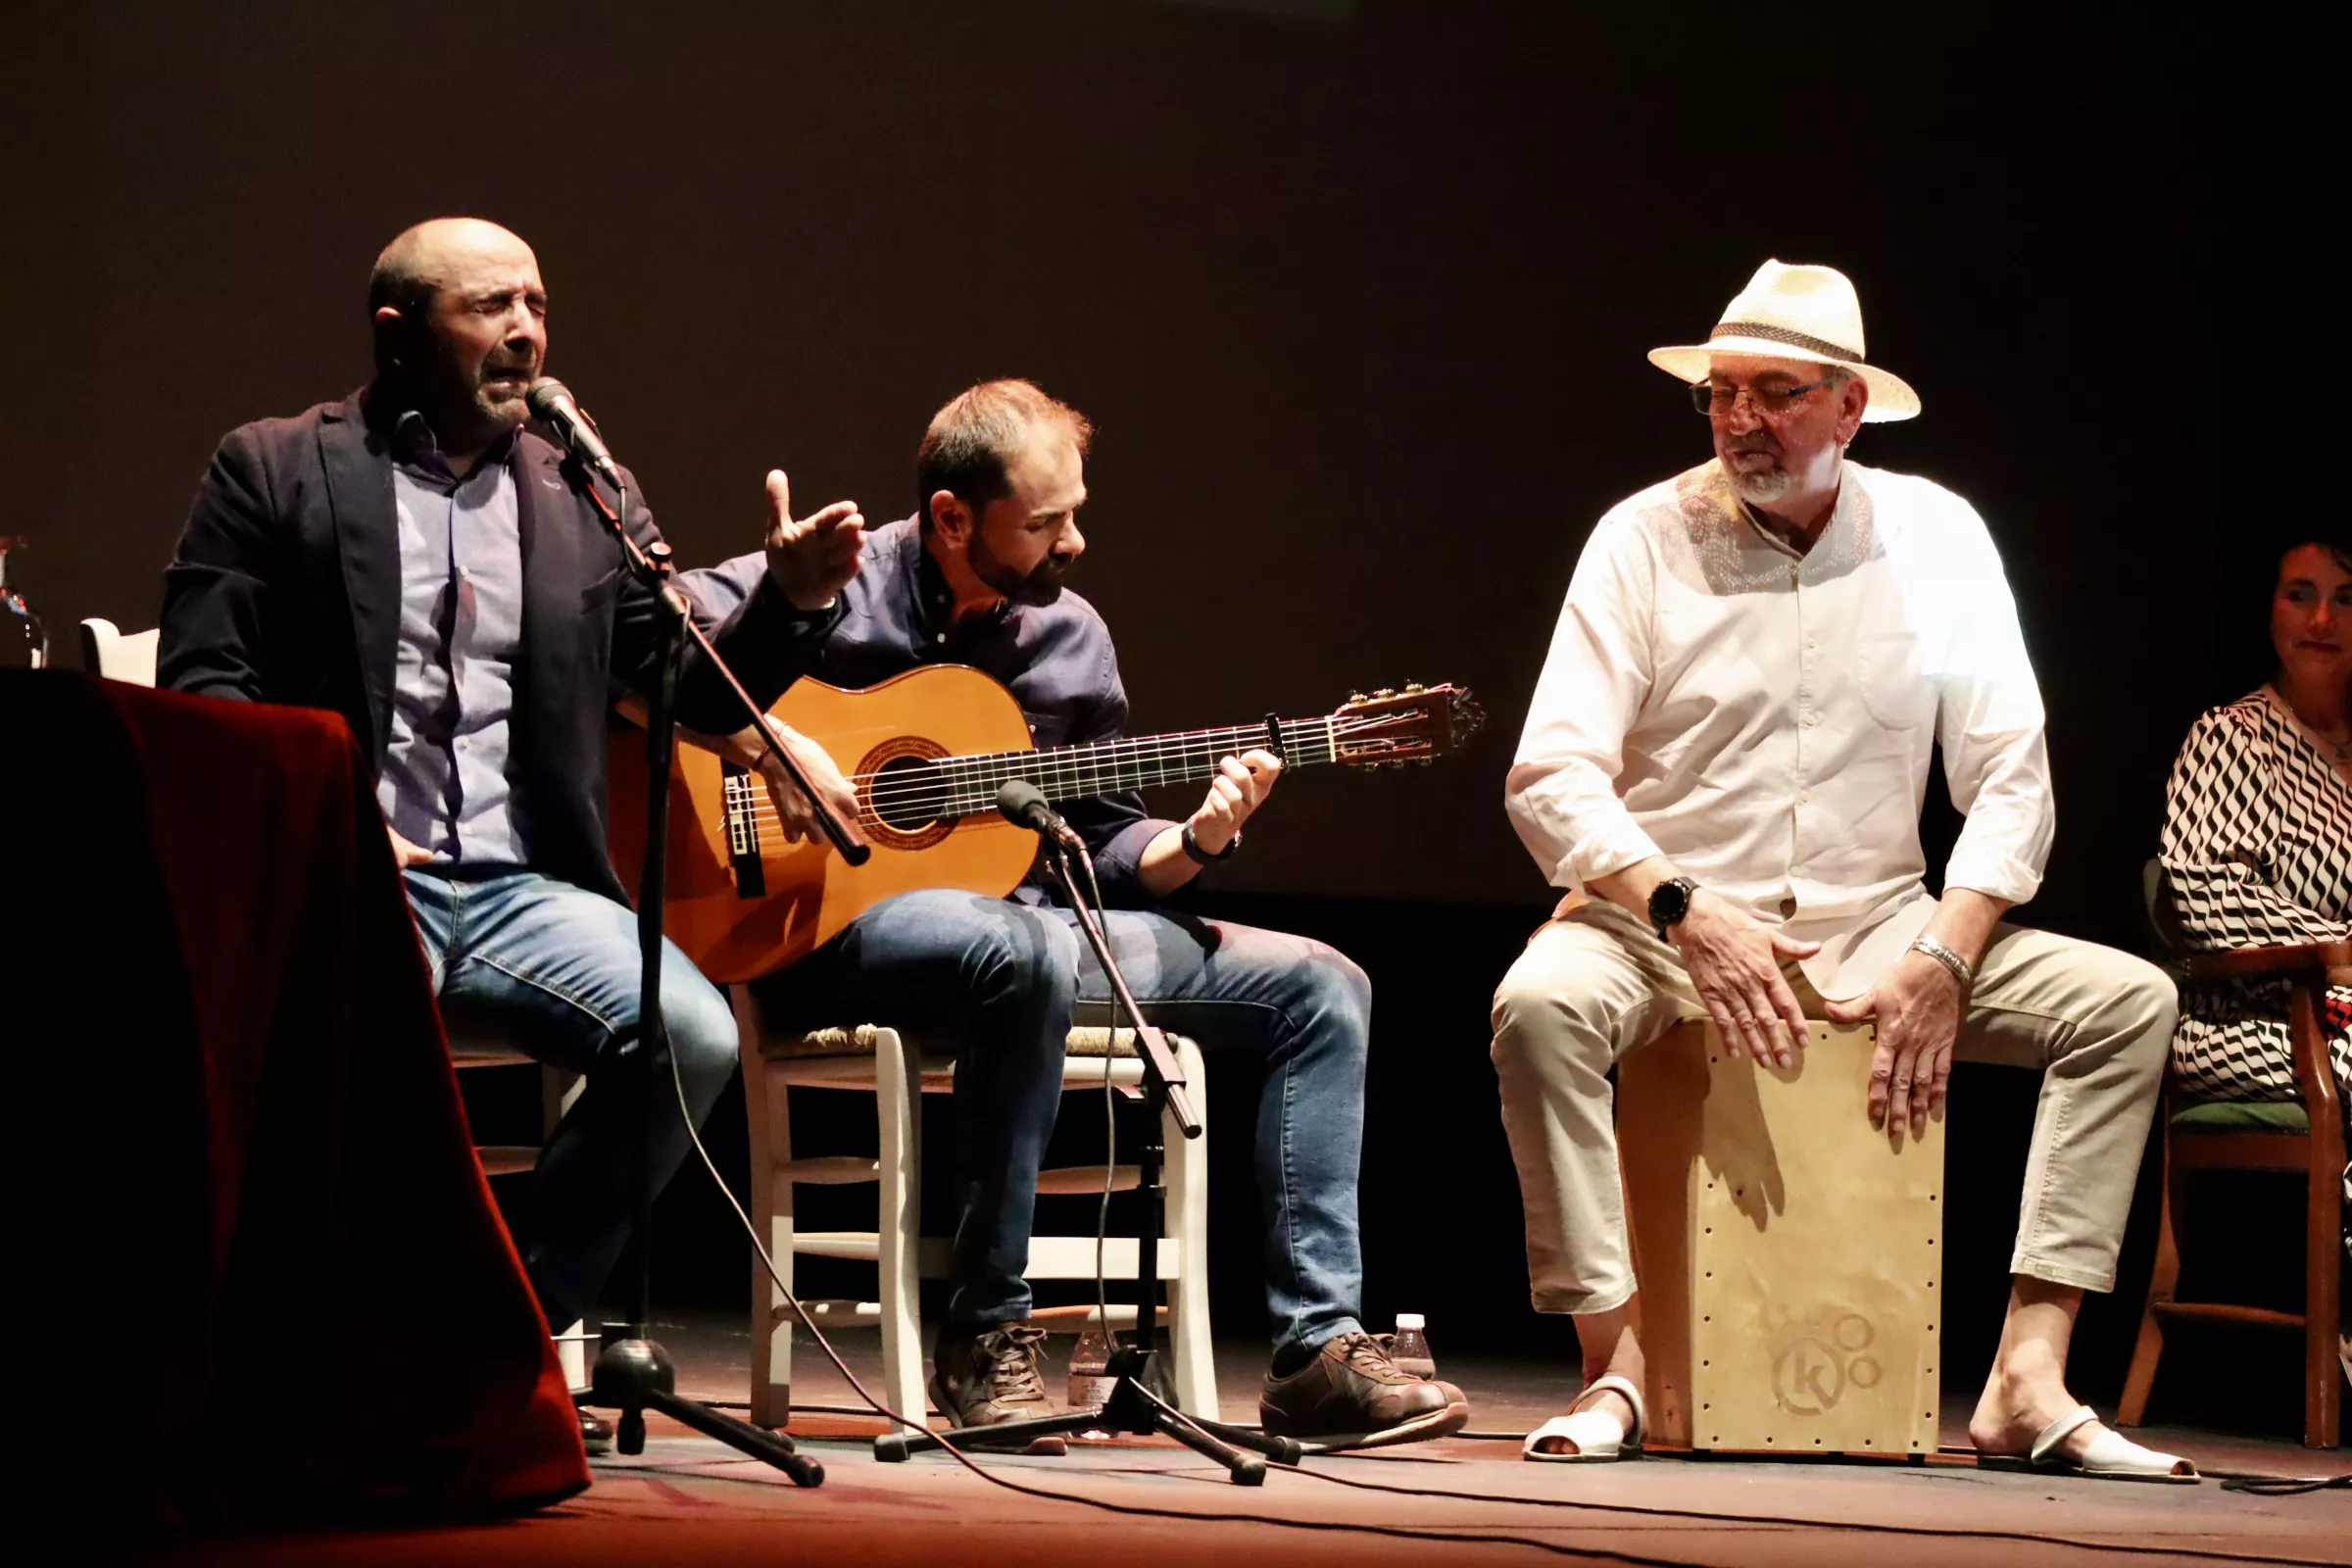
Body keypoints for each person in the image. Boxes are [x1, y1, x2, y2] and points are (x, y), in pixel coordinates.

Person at [157, 219, 865, 1446]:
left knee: (686, 1031)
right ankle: (293, 1359)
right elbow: (202, 688)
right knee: (341, 1067)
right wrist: (328, 821)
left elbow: (683, 686)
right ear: (398, 333)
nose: (526, 331)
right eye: (490, 306)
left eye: (537, 302)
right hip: (346, 875)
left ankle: (499, 1336)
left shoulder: (582, 485)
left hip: (524, 885)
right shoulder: (273, 467)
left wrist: (792, 603)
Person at [1489, 261, 2191, 1478]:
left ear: (1850, 407)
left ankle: (2028, 1376)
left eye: (1776, 393)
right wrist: (1683, 907)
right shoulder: (1641, 539)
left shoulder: (1940, 538)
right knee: (1539, 1012)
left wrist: (1944, 952)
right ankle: (1617, 1363)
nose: (1741, 421)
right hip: (1669, 918)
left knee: (2128, 1003)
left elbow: (2012, 780)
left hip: (1880, 926)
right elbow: (1551, 775)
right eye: (1721, 395)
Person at [678, 378, 1468, 1448]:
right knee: (1018, 954)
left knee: (1322, 984)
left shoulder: (1069, 636)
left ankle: (1316, 1356)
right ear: (953, 518)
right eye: (1045, 521)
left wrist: (1198, 842)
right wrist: (769, 736)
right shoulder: (840, 582)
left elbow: (1110, 846)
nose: (1075, 542)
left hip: (1038, 933)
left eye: (1077, 510)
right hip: (822, 927)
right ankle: (987, 1332)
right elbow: (652, 650)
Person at [2158, 537, 2351, 1277]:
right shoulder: (2231, 738)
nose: (2323, 619)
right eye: (2301, 594)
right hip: (2246, 1022)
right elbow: (2206, 898)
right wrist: (2338, 957)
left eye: (2347, 598)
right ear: (2270, 611)